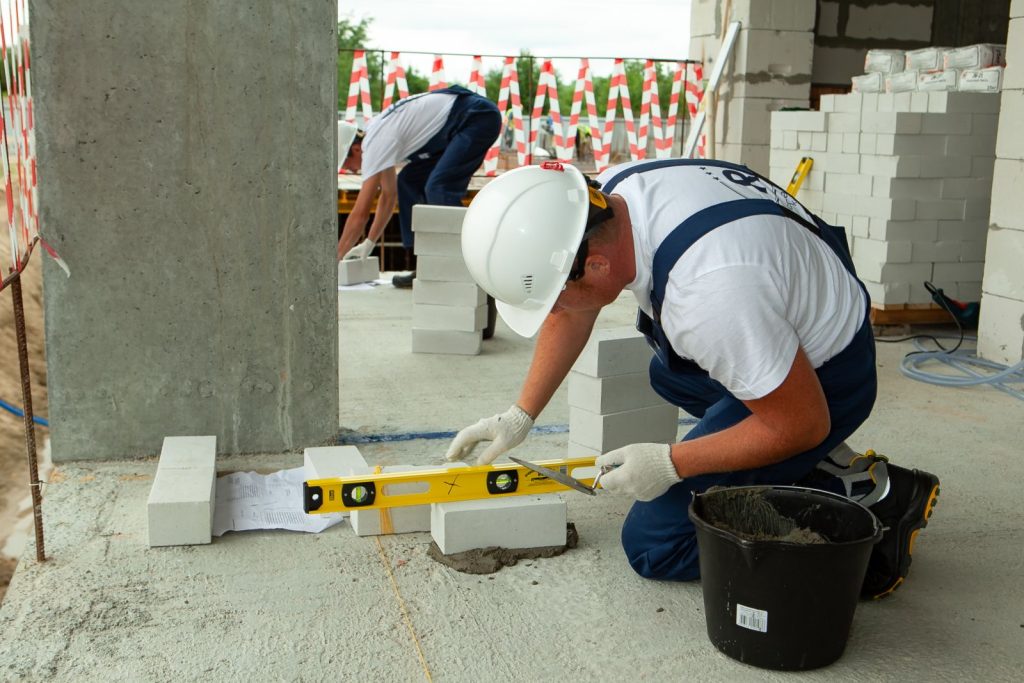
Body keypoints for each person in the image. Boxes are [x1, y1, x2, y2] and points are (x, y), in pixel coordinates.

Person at [445, 159, 940, 599]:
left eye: (553, 297)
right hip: (795, 318)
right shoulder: (613, 196)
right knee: (671, 375)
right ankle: (805, 464)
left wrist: (670, 462)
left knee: (655, 545)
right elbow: (574, 308)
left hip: (828, 381)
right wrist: (520, 414)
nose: (552, 312)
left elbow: (800, 425)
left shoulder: (708, 295)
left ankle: (865, 512)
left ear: (594, 265)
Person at [336, 86, 502, 293]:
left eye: (347, 163)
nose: (350, 169)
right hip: (456, 125)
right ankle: (424, 265)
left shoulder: (375, 143)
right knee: (407, 181)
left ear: (356, 149)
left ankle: (463, 265)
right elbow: (389, 195)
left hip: (476, 117)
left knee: (439, 186)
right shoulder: (378, 137)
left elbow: (360, 213)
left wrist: (336, 260)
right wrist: (369, 242)